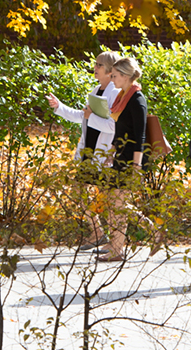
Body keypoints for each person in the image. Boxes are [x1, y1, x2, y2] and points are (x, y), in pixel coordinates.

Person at [47, 51, 120, 252]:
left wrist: (91, 116)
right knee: (78, 192)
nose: (95, 67)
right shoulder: (97, 89)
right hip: (89, 151)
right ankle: (96, 231)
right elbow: (84, 117)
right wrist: (59, 107)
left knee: (110, 199)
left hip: (104, 153)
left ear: (109, 70)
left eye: (99, 65)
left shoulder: (115, 92)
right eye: (95, 64)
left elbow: (113, 126)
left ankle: (117, 241)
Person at [98, 56, 148, 262]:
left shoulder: (137, 100)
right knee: (114, 203)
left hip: (131, 159)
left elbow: (140, 136)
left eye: (115, 75)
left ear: (126, 76)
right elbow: (120, 131)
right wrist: (111, 151)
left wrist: (136, 165)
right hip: (120, 156)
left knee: (118, 205)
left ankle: (117, 250)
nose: (112, 79)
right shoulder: (122, 97)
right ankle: (152, 231)